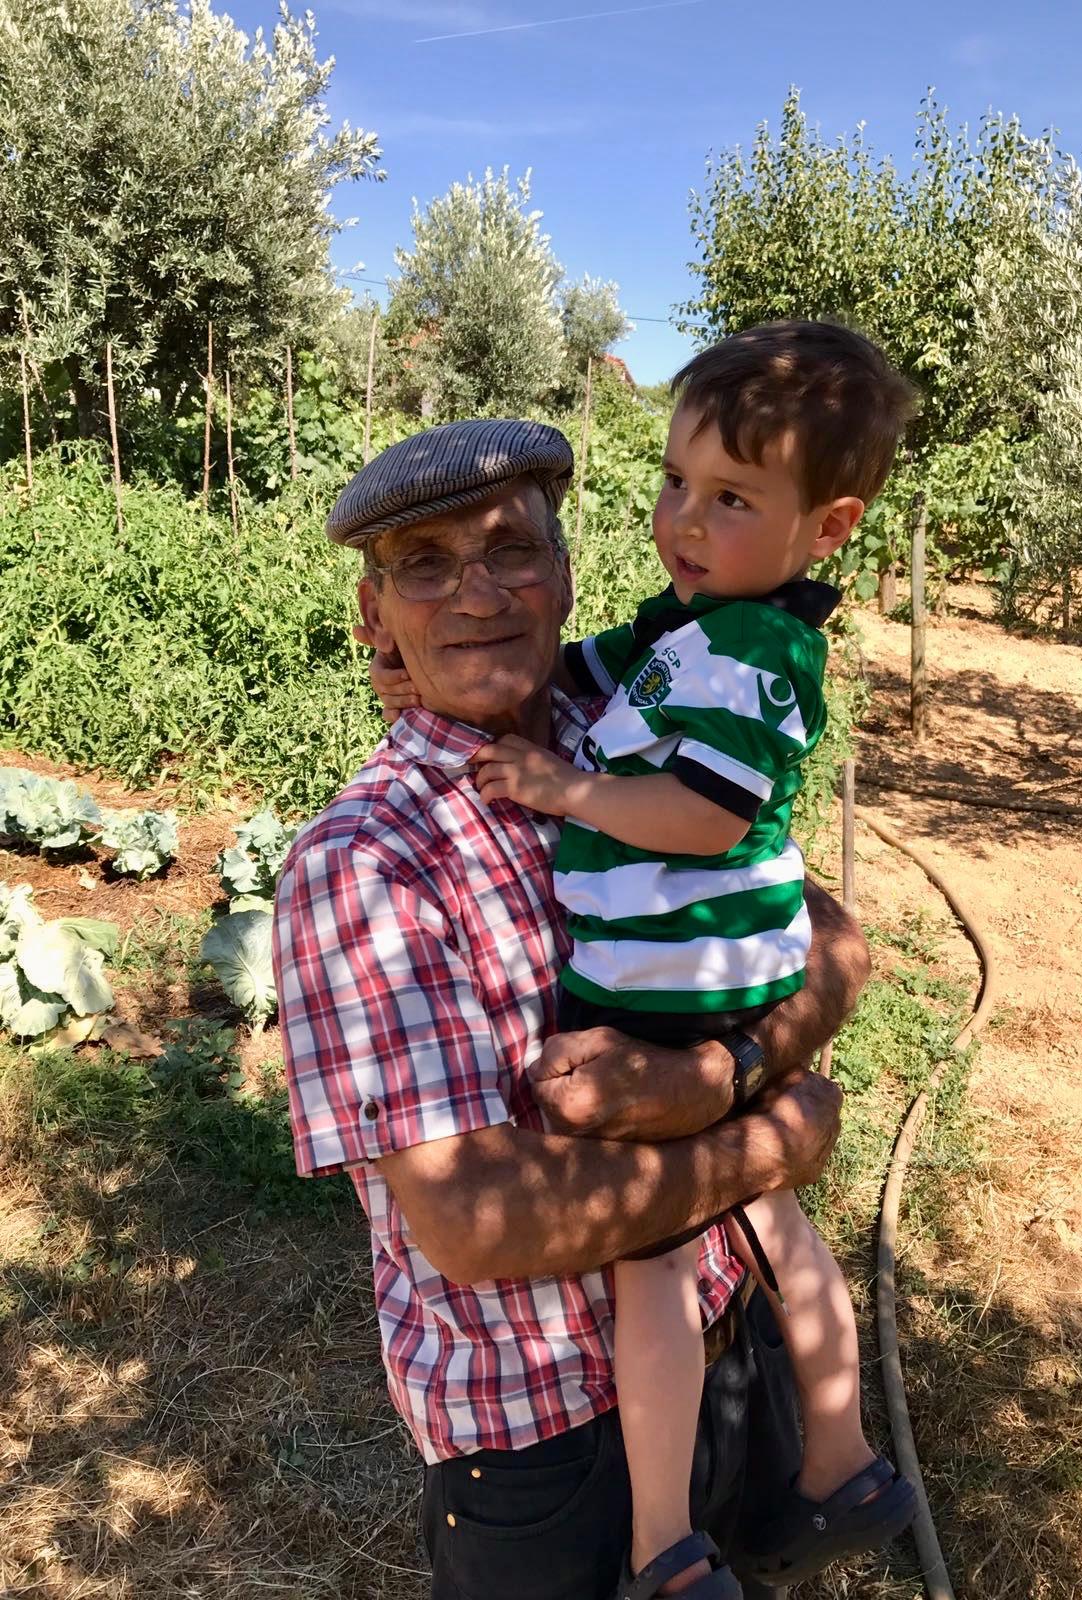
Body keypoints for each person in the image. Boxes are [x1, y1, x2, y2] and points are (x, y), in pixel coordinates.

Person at [274, 417, 869, 1600]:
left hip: (729, 1338)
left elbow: (836, 944)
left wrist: (713, 1079)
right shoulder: (366, 863)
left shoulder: (630, 737)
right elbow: (475, 1217)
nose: (477, 592)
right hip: (548, 1442)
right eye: (425, 565)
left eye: (511, 548)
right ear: (372, 614)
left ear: (566, 574)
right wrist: (761, 1145)